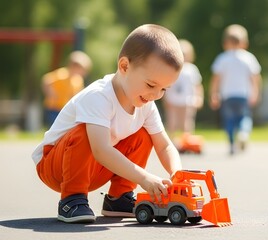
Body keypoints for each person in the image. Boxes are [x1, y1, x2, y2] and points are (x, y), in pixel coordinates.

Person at [31, 24, 184, 223]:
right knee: (86, 131)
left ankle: (119, 198)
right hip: (55, 167)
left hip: (94, 168)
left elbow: (164, 145)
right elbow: (101, 149)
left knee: (145, 135)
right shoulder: (99, 96)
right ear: (124, 66)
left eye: (164, 89)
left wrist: (177, 172)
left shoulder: (146, 104)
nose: (156, 95)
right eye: (151, 85)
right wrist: (145, 178)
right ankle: (71, 199)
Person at [209, 24, 262, 155]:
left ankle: (232, 144)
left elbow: (216, 79)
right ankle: (244, 133)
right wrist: (256, 92)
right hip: (243, 95)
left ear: (225, 43)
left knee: (229, 120)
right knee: (244, 117)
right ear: (245, 43)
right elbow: (255, 77)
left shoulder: (222, 58)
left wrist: (213, 94)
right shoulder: (248, 58)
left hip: (227, 96)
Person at [163, 39, 203, 142]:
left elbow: (197, 85)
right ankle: (171, 141)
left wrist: (199, 98)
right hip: (173, 100)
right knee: (172, 121)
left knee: (187, 121)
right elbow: (165, 84)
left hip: (187, 100)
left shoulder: (191, 69)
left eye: (185, 54)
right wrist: (165, 98)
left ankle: (187, 140)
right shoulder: (171, 68)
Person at [42, 51, 92, 127]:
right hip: (54, 107)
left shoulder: (77, 80)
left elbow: (78, 93)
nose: (83, 73)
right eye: (82, 70)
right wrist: (51, 93)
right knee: (55, 126)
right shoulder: (62, 74)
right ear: (74, 66)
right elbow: (46, 81)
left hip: (64, 108)